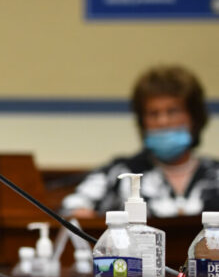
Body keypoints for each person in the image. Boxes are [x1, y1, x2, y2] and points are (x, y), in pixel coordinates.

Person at [62, 64, 219, 219]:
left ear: (194, 118)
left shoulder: (215, 174)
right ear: (142, 122)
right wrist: (79, 214)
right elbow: (71, 208)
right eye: (153, 113)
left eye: (172, 111)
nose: (162, 121)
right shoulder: (120, 173)